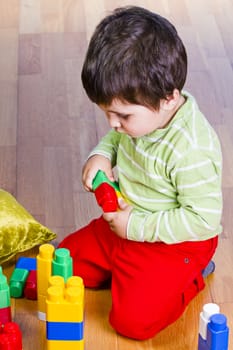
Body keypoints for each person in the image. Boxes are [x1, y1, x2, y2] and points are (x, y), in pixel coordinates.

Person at [59, 6, 222, 340]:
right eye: (106, 112)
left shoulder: (192, 150)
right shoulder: (144, 114)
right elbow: (118, 138)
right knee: (64, 265)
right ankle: (123, 271)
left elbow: (202, 221)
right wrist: (102, 155)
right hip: (124, 222)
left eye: (121, 115)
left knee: (132, 322)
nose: (112, 124)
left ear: (168, 99)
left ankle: (193, 277)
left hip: (176, 243)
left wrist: (137, 227)